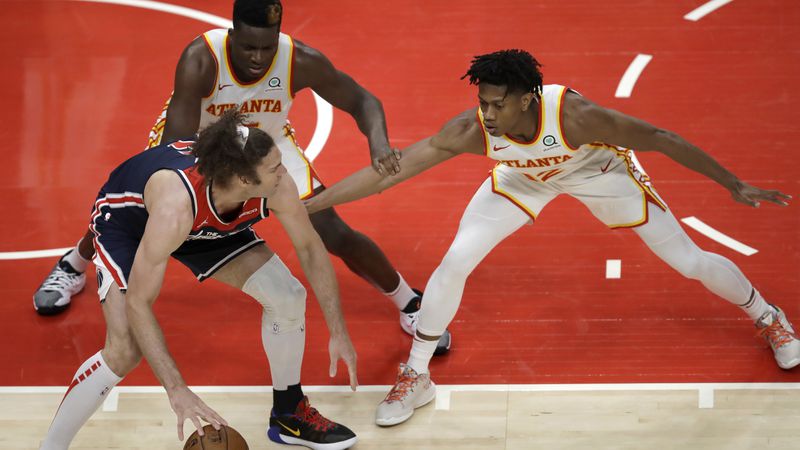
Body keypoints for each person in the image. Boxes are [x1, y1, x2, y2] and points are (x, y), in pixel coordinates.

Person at [305, 49, 800, 426]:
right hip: (523, 177)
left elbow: (661, 138)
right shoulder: (474, 129)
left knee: (688, 261)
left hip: (598, 172)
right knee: (456, 259)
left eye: (499, 103)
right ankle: (417, 375)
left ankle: (767, 316)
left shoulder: (576, 117)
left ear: (527, 99)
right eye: (483, 102)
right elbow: (392, 171)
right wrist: (310, 206)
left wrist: (732, 183)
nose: (489, 113)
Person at [32, 0, 450, 354]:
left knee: (332, 230)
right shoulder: (201, 58)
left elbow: (362, 99)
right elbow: (175, 145)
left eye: (266, 48)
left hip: (266, 144)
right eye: (248, 46)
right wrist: (202, 194)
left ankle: (408, 301)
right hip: (198, 145)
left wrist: (378, 143)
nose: (256, 57)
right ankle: (76, 262)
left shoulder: (299, 60)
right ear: (231, 34)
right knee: (137, 217)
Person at [40, 111, 358, 450]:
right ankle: (52, 447)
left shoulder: (275, 185)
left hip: (205, 222)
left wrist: (337, 329)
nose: (284, 172)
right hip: (130, 225)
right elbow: (138, 302)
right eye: (273, 168)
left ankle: (288, 415)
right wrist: (177, 389)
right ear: (242, 179)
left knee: (288, 295)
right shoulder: (173, 208)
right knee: (125, 351)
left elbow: (310, 248)